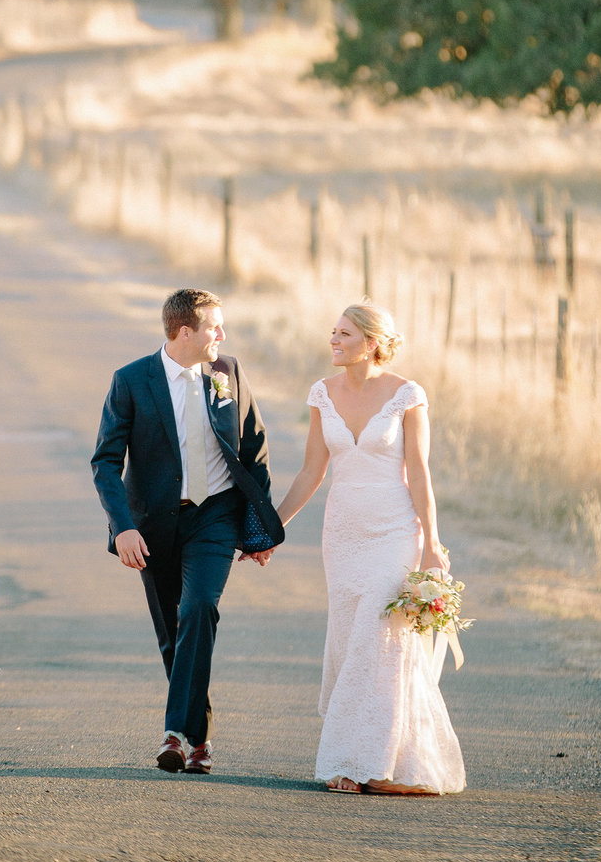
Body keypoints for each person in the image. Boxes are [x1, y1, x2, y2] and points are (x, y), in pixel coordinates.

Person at [275, 300, 466, 796]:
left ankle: (367, 764)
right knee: (349, 636)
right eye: (333, 332)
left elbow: (420, 472)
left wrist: (431, 544)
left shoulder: (407, 395)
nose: (333, 341)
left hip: (395, 531)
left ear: (372, 343)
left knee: (378, 638)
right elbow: (311, 472)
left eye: (344, 334)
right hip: (343, 536)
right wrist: (270, 529)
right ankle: (368, 759)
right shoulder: (322, 393)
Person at [92, 287, 282, 776]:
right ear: (185, 332)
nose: (222, 335)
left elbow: (254, 449)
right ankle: (199, 740)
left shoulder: (228, 373)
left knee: (200, 607)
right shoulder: (132, 380)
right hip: (152, 526)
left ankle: (175, 735)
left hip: (215, 516)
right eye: (214, 326)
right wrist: (123, 529)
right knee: (172, 635)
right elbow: (105, 463)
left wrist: (257, 531)